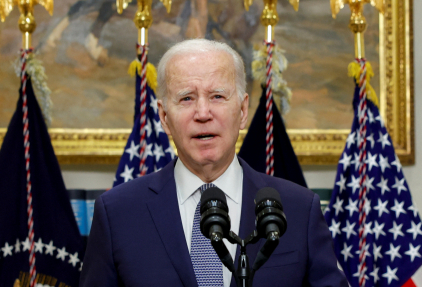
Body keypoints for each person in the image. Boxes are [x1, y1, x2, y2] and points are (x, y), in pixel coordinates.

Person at [79, 39, 347, 287]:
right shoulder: (117, 213)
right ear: (163, 116)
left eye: (217, 96)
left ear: (242, 111)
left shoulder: (299, 208)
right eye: (187, 98)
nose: (203, 113)